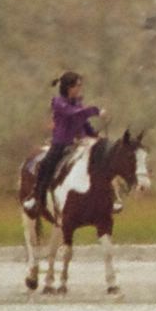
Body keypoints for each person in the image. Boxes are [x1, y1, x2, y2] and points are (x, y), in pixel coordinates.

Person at [33, 70, 103, 214]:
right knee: (46, 165)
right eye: (77, 85)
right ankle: (37, 198)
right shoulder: (58, 102)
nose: (79, 88)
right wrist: (96, 110)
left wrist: (94, 134)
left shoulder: (78, 102)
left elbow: (83, 121)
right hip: (61, 143)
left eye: (80, 85)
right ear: (68, 87)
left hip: (80, 143)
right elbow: (75, 113)